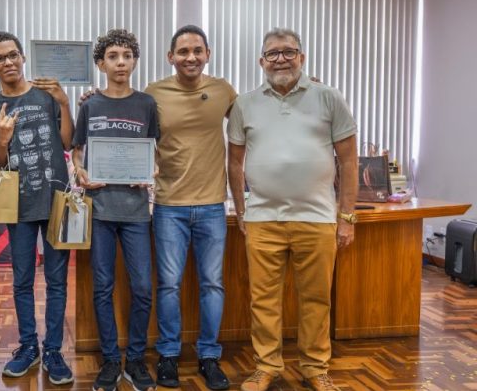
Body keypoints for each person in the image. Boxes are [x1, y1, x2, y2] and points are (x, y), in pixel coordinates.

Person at [227, 28, 358, 391]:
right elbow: (234, 163)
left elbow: (349, 161)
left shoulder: (329, 97)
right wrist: (241, 211)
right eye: (273, 53)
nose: (280, 59)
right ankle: (266, 366)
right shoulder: (245, 104)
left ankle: (315, 368)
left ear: (301, 57)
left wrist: (346, 217)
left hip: (316, 218)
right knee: (263, 301)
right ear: (261, 61)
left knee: (316, 300)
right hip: (263, 219)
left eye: (288, 52)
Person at [0, 31, 74, 385]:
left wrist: (64, 103)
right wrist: (2, 140)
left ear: (22, 57)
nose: (8, 62)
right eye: (0, 58)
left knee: (57, 281)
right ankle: (28, 346)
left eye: (13, 55)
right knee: (21, 281)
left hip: (55, 200)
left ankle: (53, 350)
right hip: (17, 206)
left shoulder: (47, 96)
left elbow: (68, 141)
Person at [144, 26, 236, 390]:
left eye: (198, 50)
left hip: (213, 205)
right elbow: (129, 125)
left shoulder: (223, 91)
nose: (191, 57)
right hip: (169, 207)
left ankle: (209, 356)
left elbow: (255, 121)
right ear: (171, 57)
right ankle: (168, 355)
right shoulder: (153, 94)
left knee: (213, 285)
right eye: (183, 51)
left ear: (208, 54)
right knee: (168, 285)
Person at [72, 29, 158, 391]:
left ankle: (135, 359)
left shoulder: (147, 104)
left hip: (137, 211)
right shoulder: (90, 105)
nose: (120, 62)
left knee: (141, 287)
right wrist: (81, 172)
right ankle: (110, 360)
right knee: (103, 287)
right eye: (113, 56)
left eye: (126, 55)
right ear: (101, 63)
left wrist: (150, 170)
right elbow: (77, 151)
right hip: (101, 210)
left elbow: (156, 150)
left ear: (135, 60)